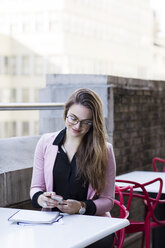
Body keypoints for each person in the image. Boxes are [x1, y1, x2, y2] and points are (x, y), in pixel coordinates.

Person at [30, 88, 116, 247]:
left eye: (85, 122)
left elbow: (108, 201)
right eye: (73, 118)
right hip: (53, 223)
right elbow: (36, 188)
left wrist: (81, 207)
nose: (77, 126)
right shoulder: (45, 143)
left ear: (93, 123)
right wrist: (41, 199)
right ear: (65, 113)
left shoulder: (104, 150)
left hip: (92, 224)